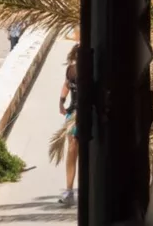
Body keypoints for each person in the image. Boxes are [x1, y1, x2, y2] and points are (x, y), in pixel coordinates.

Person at [58, 44, 80, 205]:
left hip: (88, 113)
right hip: (73, 113)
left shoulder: (93, 72)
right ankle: (69, 191)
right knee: (71, 149)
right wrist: (61, 101)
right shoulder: (71, 71)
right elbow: (66, 85)